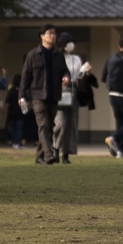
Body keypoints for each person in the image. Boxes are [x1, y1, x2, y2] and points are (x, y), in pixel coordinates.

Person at [20, 24, 69, 165]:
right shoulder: (32, 55)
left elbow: (65, 70)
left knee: (49, 128)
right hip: (37, 96)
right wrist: (22, 96)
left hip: (53, 95)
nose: (53, 36)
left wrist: (66, 77)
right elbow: (25, 77)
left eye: (54, 34)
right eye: (49, 33)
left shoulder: (58, 56)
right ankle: (49, 154)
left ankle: (39, 157)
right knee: (43, 125)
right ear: (42, 36)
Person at [53, 32, 85, 164]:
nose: (71, 45)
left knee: (71, 123)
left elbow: (79, 76)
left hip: (72, 90)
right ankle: (55, 149)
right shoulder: (55, 57)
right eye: (68, 42)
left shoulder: (76, 59)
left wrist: (84, 71)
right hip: (59, 91)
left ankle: (66, 154)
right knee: (60, 122)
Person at [5, 74, 24, 149]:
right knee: (19, 129)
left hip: (11, 113)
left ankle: (13, 141)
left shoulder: (11, 91)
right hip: (20, 113)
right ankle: (17, 142)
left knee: (11, 128)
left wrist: (4, 110)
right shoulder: (23, 92)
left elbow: (7, 103)